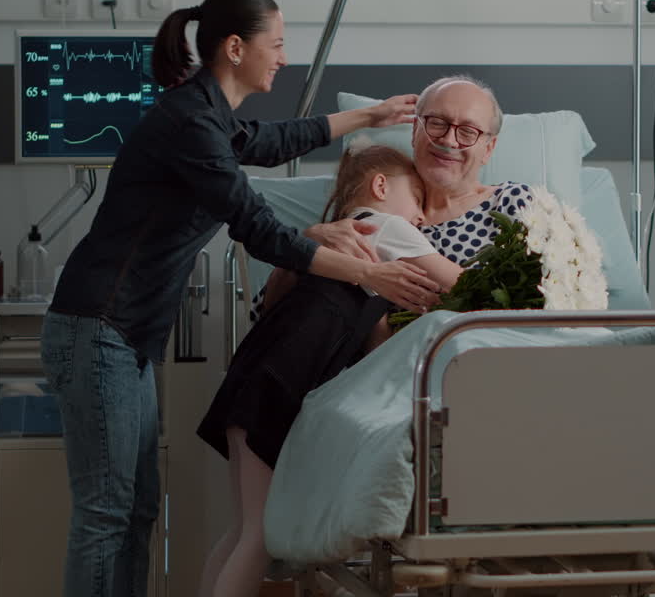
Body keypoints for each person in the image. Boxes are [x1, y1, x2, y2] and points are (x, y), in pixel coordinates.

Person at [39, 0, 440, 597]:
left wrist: (369, 116)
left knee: (138, 510)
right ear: (235, 48)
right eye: (275, 44)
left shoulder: (209, 117)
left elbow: (270, 142)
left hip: (127, 336)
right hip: (99, 326)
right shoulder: (189, 123)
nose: (282, 57)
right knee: (106, 513)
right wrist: (369, 273)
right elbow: (255, 228)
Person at [195, 144, 462, 597]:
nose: (422, 218)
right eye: (417, 199)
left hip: (253, 380)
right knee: (260, 536)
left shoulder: (351, 256)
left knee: (243, 530)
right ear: (380, 187)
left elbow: (376, 342)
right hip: (277, 385)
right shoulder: (380, 226)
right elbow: (457, 282)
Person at [253, 74, 535, 320]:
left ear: (488, 148)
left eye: (467, 131)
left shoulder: (512, 203)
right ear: (415, 130)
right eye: (437, 123)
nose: (449, 140)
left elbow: (545, 307)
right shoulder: (373, 209)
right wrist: (308, 244)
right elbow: (266, 312)